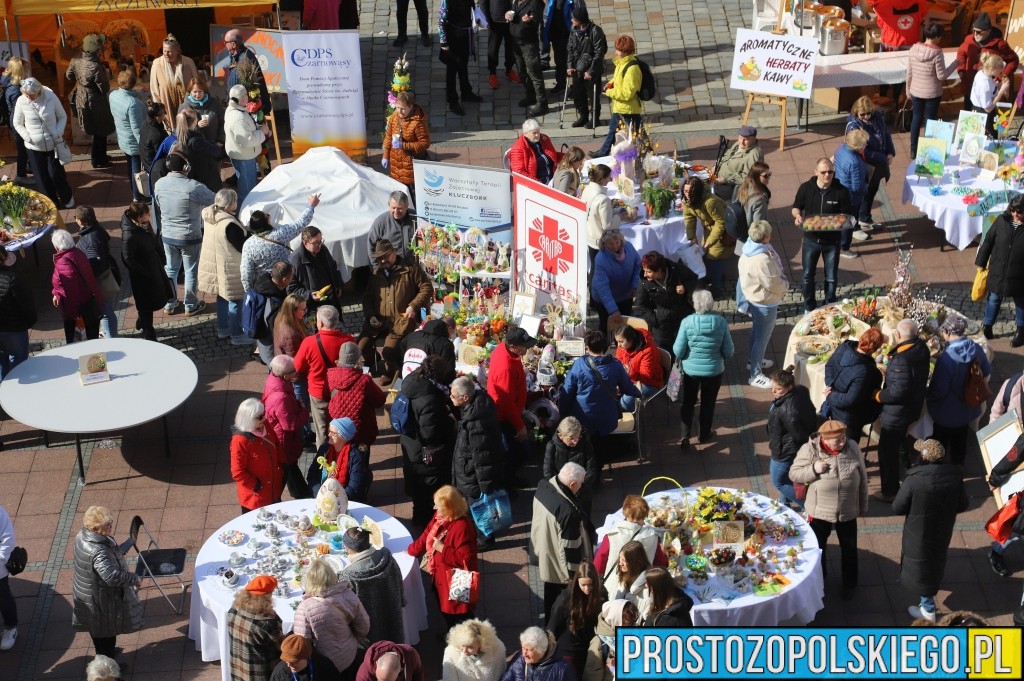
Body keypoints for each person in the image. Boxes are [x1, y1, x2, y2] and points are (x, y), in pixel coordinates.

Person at [790, 419, 868, 599]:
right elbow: (794, 473)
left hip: (847, 511)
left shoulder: (853, 447)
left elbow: (862, 477)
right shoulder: (809, 450)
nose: (842, 442)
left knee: (849, 550)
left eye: (843, 438)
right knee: (818, 549)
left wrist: (862, 505)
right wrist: (813, 469)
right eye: (837, 440)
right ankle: (819, 581)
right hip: (819, 511)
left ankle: (850, 585)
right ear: (824, 439)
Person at [892, 438, 969, 623]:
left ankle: (927, 609)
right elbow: (963, 504)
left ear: (923, 458)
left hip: (918, 531)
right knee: (935, 558)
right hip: (943, 527)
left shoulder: (914, 480)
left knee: (921, 565)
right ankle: (928, 597)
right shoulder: (955, 477)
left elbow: (897, 507)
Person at [360, 239, 434, 385]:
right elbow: (367, 297)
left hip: (401, 321)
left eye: (385, 256)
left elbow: (427, 287)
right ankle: (373, 361)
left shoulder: (411, 269)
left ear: (394, 252)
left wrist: (413, 305)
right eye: (379, 258)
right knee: (361, 346)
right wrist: (371, 315)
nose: (382, 261)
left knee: (389, 350)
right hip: (378, 320)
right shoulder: (376, 273)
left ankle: (390, 370)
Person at [72, 507, 143, 659]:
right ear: (96, 528)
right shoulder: (99, 550)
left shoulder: (83, 535)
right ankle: (108, 666)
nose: (111, 526)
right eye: (108, 525)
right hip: (101, 602)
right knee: (106, 635)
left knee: (98, 632)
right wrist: (134, 578)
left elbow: (100, 561)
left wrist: (118, 551)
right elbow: (111, 576)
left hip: (89, 595)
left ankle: (105, 655)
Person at [872, 319, 930, 502]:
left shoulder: (902, 361)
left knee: (886, 452)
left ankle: (890, 491)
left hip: (896, 413)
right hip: (912, 407)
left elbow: (897, 392)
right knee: (900, 442)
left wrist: (878, 395)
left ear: (898, 335)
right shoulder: (921, 347)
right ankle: (907, 474)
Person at [407, 485, 479, 627]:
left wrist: (442, 548)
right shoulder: (441, 517)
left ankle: (466, 641)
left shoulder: (462, 527)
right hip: (442, 578)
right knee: (447, 612)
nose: (434, 508)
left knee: (460, 617)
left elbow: (466, 559)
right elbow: (427, 533)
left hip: (454, 582)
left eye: (438, 505)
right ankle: (452, 634)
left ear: (449, 508)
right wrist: (412, 550)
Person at [560, 330, 640, 458]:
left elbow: (567, 392)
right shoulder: (616, 365)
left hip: (583, 418)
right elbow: (628, 387)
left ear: (587, 347)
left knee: (584, 449)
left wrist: (562, 413)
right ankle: (598, 465)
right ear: (606, 347)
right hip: (607, 418)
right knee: (601, 449)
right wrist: (639, 393)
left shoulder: (579, 365)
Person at [153, 151, 215, 316]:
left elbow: (158, 204)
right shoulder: (193, 186)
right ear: (186, 167)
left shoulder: (159, 184)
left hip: (167, 235)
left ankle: (170, 302)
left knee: (171, 269)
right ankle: (190, 304)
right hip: (190, 237)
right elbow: (215, 199)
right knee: (190, 271)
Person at [531, 462, 594, 620]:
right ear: (572, 484)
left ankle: (548, 625)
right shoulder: (568, 513)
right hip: (561, 569)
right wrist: (576, 577)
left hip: (545, 550)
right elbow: (571, 548)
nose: (580, 487)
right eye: (580, 484)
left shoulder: (544, 486)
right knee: (562, 602)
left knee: (549, 592)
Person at [672, 289, 734, 449]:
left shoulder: (686, 322)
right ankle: (704, 434)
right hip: (714, 371)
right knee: (708, 403)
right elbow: (729, 351)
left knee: (688, 402)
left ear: (694, 304)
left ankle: (685, 436)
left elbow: (678, 351)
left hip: (690, 372)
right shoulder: (721, 323)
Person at [926, 315, 990, 467]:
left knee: (938, 447)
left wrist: (927, 396)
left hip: (945, 412)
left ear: (947, 331)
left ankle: (936, 473)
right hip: (967, 409)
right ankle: (958, 471)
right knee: (959, 444)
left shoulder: (946, 359)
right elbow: (986, 370)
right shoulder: (976, 348)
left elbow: (939, 391)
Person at [400, 356, 457, 526]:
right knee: (428, 484)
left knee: (416, 482)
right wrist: (449, 422)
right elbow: (430, 432)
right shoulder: (429, 398)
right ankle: (425, 521)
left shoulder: (412, 381)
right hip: (424, 449)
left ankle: (419, 515)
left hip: (410, 442)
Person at [791, 158, 852, 313]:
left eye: (830, 172)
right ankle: (809, 307)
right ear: (816, 172)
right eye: (823, 172)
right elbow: (796, 207)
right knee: (807, 276)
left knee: (831, 277)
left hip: (832, 242)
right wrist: (797, 216)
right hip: (810, 240)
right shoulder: (806, 188)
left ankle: (829, 305)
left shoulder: (841, 191)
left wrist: (842, 221)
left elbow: (847, 214)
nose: (827, 175)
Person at [293, 557, 370, 678]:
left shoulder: (304, 608)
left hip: (325, 664)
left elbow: (302, 644)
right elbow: (364, 626)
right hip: (349, 654)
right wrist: (353, 639)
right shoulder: (349, 595)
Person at [294, 305, 356, 448]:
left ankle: (323, 460)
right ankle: (342, 454)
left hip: (318, 392)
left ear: (320, 323)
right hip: (341, 391)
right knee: (341, 426)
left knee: (321, 429)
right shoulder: (348, 340)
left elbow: (298, 367)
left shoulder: (308, 342)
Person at [738, 219, 788, 388]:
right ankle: (755, 375)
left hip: (754, 297)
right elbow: (772, 283)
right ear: (766, 237)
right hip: (764, 302)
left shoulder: (747, 249)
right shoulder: (762, 259)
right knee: (762, 339)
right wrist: (785, 285)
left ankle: (753, 362)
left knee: (756, 332)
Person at [11, 77, 74, 208]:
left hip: (53, 144)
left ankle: (66, 196)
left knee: (56, 174)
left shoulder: (50, 96)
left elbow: (62, 116)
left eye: (31, 95)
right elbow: (17, 123)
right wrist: (27, 137)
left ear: (38, 91)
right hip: (33, 146)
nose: (28, 97)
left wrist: (58, 132)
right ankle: (51, 201)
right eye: (26, 95)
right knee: (41, 177)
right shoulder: (21, 100)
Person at [198, 188, 250, 344]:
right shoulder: (229, 223)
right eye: (234, 201)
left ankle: (223, 329)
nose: (236, 203)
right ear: (228, 205)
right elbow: (242, 246)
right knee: (235, 300)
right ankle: (237, 335)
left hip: (216, 264)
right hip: (229, 267)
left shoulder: (210, 216)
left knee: (221, 297)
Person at [339, 527, 406, 645]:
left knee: (376, 657)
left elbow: (349, 609)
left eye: (345, 546)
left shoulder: (348, 576)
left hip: (370, 628)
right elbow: (398, 578)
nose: (344, 548)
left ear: (349, 548)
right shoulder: (386, 556)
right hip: (392, 614)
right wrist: (402, 600)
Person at [241, 194, 319, 292]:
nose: (269, 216)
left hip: (263, 288)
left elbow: (246, 272)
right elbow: (300, 223)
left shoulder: (249, 245)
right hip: (285, 284)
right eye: (267, 216)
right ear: (266, 221)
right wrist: (311, 206)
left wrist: (249, 292)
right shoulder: (281, 234)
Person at [487, 327, 535, 487]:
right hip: (505, 416)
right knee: (519, 452)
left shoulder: (505, 350)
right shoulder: (505, 367)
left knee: (515, 452)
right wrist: (520, 426)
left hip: (510, 412)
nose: (527, 348)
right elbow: (505, 402)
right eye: (524, 346)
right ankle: (505, 483)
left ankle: (508, 479)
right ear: (513, 346)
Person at [821, 328, 884, 444]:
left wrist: (830, 386)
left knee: (832, 441)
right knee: (847, 449)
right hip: (849, 418)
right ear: (876, 349)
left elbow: (829, 366)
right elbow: (850, 400)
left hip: (834, 407)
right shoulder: (867, 371)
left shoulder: (843, 347)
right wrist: (831, 395)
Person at [976, 194, 1024, 346]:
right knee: (994, 299)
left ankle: (1021, 331)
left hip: (1019, 275)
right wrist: (981, 262)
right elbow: (988, 241)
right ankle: (988, 326)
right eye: (1013, 210)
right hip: (998, 271)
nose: (1015, 214)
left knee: (1021, 303)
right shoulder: (1001, 221)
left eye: (1020, 211)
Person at [906, 22, 960, 158]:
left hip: (916, 90)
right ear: (937, 37)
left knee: (916, 118)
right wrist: (956, 63)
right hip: (932, 93)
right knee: (930, 121)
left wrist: (908, 89)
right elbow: (942, 75)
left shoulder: (913, 49)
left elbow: (909, 72)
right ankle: (928, 151)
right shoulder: (937, 53)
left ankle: (913, 149)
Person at [767, 368, 817, 510]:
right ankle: (785, 502)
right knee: (788, 476)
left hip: (784, 450)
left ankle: (810, 507)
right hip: (793, 446)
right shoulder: (801, 390)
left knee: (779, 482)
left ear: (789, 387)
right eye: (772, 388)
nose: (773, 392)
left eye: (777, 389)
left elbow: (798, 434)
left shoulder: (786, 410)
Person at [120, 202, 172, 341]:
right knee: (145, 303)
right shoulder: (129, 235)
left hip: (153, 267)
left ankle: (143, 321)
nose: (149, 216)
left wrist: (162, 259)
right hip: (142, 276)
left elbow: (153, 241)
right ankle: (149, 332)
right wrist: (144, 272)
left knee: (153, 299)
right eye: (146, 214)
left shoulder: (144, 224)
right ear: (138, 217)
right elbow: (127, 259)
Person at [263, 355, 312, 500]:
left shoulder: (274, 381)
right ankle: (275, 499)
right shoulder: (281, 397)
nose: (296, 373)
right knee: (286, 469)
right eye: (293, 371)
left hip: (280, 438)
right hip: (284, 441)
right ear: (285, 375)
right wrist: (304, 411)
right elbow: (289, 424)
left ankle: (300, 493)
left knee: (290, 469)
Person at [450, 375, 504, 503]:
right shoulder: (477, 405)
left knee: (474, 513)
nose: (450, 398)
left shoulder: (475, 423)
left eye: (453, 396)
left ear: (465, 397)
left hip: (471, 479)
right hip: (468, 474)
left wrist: (486, 489)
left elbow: (482, 457)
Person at [845, 97, 894, 231]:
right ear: (856, 112)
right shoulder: (854, 127)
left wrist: (891, 152)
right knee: (861, 194)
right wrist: (883, 157)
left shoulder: (877, 116)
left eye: (869, 113)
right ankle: (855, 226)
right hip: (864, 165)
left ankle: (865, 218)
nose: (866, 116)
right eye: (863, 114)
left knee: (872, 191)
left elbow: (886, 134)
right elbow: (863, 150)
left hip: (877, 164)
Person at [549, 562, 607, 675]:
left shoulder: (601, 595)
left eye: (590, 584)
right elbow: (553, 627)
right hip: (569, 650)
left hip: (590, 648)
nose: (587, 589)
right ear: (577, 582)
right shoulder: (565, 599)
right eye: (583, 585)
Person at [66, 33, 114, 168]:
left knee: (93, 128)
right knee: (101, 129)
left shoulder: (75, 59)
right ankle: (98, 158)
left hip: (81, 96)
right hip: (96, 100)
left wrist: (80, 80)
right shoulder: (96, 66)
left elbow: (69, 76)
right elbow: (104, 88)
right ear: (97, 50)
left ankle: (99, 156)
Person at [633, 251, 697, 353]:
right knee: (663, 352)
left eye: (648, 272)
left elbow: (694, 281)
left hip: (683, 317)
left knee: (686, 347)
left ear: (659, 270)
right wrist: (655, 320)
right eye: (644, 271)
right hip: (662, 324)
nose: (645, 275)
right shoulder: (644, 282)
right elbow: (641, 305)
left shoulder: (677, 269)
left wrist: (685, 288)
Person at [592, 495, 667, 582]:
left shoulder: (611, 535)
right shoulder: (653, 537)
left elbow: (598, 566)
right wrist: (664, 554)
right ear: (645, 514)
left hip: (615, 587)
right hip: (641, 587)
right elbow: (661, 565)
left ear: (625, 513)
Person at [230, 397, 284, 514]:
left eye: (263, 414)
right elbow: (237, 471)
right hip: (255, 499)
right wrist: (256, 486)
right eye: (259, 417)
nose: (264, 418)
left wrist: (282, 465)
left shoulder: (265, 425)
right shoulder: (240, 441)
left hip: (273, 491)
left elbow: (276, 444)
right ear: (248, 419)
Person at [592, 34, 642, 158]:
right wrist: (610, 84)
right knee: (615, 132)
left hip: (628, 109)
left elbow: (627, 94)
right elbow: (617, 78)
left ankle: (645, 153)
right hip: (621, 107)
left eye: (618, 50)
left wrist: (609, 92)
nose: (616, 52)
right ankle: (603, 152)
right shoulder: (622, 63)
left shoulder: (632, 69)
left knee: (635, 135)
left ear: (625, 51)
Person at [328, 342, 387, 447]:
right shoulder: (364, 380)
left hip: (338, 427)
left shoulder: (330, 375)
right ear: (357, 359)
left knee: (341, 456)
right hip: (360, 428)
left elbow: (326, 396)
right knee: (361, 458)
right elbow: (380, 400)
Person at [75, 206, 122, 338]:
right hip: (102, 277)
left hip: (99, 281)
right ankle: (109, 333)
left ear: (80, 220)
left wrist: (89, 281)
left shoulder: (91, 240)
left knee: (105, 311)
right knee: (106, 310)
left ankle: (112, 338)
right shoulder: (95, 229)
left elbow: (96, 264)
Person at [956, 12, 1018, 112]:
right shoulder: (969, 40)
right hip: (971, 86)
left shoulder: (1000, 44)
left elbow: (1013, 60)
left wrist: (1001, 77)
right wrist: (961, 70)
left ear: (988, 31)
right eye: (974, 31)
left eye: (979, 32)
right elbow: (961, 54)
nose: (975, 34)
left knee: (987, 116)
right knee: (968, 116)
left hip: (989, 88)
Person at [227, 574, 284, 681]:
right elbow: (282, 646)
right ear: (267, 597)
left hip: (239, 667)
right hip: (261, 672)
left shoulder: (233, 610)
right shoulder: (267, 622)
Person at [51, 229, 104, 344]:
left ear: (56, 246)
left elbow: (71, 292)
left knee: (78, 346)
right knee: (93, 341)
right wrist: (56, 292)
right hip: (89, 306)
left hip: (79, 312)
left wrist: (73, 314)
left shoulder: (63, 262)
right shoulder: (78, 253)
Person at [681, 177, 729, 296]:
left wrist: (711, 240)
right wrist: (692, 236)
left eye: (689, 192)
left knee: (714, 256)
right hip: (708, 227)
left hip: (721, 228)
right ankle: (720, 276)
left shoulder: (711, 202)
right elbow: (689, 218)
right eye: (685, 191)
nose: (686, 194)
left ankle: (716, 287)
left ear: (696, 191)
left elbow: (720, 222)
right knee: (708, 254)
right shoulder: (687, 201)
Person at [224, 84, 270, 203]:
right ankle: (244, 216)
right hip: (245, 157)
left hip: (241, 155)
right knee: (248, 191)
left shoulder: (234, 110)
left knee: (245, 186)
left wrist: (258, 129)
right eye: (246, 95)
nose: (248, 97)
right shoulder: (238, 117)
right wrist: (262, 132)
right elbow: (247, 141)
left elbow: (245, 131)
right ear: (243, 99)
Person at [288, 226, 345, 321]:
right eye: (315, 243)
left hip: (329, 300)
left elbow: (333, 267)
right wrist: (309, 295)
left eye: (321, 241)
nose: (319, 245)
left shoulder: (322, 249)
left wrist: (337, 285)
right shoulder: (295, 261)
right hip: (311, 307)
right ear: (305, 243)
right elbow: (292, 289)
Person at [543, 417, 599, 513]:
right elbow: (548, 472)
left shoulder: (586, 445)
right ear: (560, 435)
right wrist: (561, 490)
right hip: (560, 494)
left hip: (582, 493)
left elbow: (591, 471)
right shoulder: (551, 446)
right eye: (571, 438)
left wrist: (578, 489)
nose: (575, 441)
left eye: (577, 437)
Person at [590, 230, 639, 335]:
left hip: (625, 293)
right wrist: (613, 310)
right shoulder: (601, 259)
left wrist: (634, 285)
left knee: (625, 324)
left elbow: (637, 265)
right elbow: (603, 288)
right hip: (604, 298)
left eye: (617, 242)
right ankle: (604, 347)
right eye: (611, 244)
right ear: (604, 244)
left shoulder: (629, 247)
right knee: (606, 325)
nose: (615, 246)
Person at [108, 69, 147, 201]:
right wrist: (144, 146)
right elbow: (136, 128)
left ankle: (134, 192)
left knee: (130, 166)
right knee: (137, 171)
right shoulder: (133, 104)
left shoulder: (113, 95)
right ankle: (137, 195)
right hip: (133, 142)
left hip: (123, 138)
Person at [565, 4, 606, 129]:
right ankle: (583, 116)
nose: (571, 20)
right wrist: (570, 65)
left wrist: (591, 71)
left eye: (573, 18)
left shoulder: (595, 31)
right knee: (578, 95)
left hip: (591, 70)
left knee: (593, 96)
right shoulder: (574, 30)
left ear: (579, 20)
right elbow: (570, 48)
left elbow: (599, 53)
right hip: (577, 68)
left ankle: (595, 119)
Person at [832, 129, 872, 256]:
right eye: (864, 144)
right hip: (851, 197)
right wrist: (866, 188)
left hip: (839, 188)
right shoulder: (854, 162)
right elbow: (857, 187)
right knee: (848, 223)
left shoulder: (841, 148)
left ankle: (837, 243)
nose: (866, 146)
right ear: (857, 146)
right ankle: (844, 248)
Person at [440, 0, 483, 116]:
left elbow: (473, 12)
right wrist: (444, 43)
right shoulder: (447, 1)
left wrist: (477, 19)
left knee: (463, 65)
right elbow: (441, 21)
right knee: (452, 70)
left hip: (465, 36)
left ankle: (466, 92)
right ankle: (452, 100)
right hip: (453, 38)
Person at [313, 417, 371, 502]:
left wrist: (334, 499)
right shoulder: (324, 449)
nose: (329, 435)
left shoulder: (356, 456)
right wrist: (320, 493)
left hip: (346, 501)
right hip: (322, 497)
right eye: (329, 431)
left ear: (344, 436)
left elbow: (354, 488)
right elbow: (312, 475)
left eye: (333, 433)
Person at [0, 246, 36, 378]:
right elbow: (26, 305)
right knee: (19, 364)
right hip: (14, 330)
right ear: (5, 259)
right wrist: (30, 321)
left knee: (2, 364)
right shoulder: (13, 279)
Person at [508, 0, 548, 118]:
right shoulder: (516, 2)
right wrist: (509, 15)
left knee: (534, 73)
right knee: (522, 71)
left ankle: (542, 103)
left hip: (528, 44)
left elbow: (536, 21)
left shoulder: (534, 3)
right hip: (516, 42)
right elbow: (515, 15)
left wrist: (529, 21)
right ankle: (530, 95)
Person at [383, 91, 431, 188]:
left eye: (403, 109)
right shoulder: (394, 117)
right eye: (397, 107)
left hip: (411, 168)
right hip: (396, 165)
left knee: (411, 196)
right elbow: (388, 136)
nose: (399, 112)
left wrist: (403, 145)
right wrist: (385, 156)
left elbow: (425, 143)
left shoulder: (418, 123)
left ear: (410, 107)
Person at [582, 600, 638, 681]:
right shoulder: (599, 642)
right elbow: (592, 676)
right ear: (615, 621)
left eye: (632, 623)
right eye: (627, 624)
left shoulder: (632, 637)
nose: (631, 627)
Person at [253, 262, 295, 366]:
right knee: (275, 369)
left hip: (261, 339)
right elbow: (276, 331)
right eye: (292, 276)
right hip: (269, 344)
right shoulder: (275, 303)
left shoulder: (262, 284)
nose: (293, 278)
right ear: (285, 280)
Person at [149, 34, 197, 125]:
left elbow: (196, 83)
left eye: (169, 51)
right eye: (164, 51)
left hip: (187, 107)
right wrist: (159, 110)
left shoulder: (188, 62)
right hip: (167, 109)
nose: (166, 54)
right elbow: (154, 89)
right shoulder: (157, 63)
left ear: (177, 51)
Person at [581, 164, 622, 273]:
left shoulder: (587, 189)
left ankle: (592, 288)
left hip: (589, 235)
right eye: (609, 176)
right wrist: (619, 217)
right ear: (603, 178)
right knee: (600, 270)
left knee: (594, 267)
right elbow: (607, 225)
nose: (610, 179)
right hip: (599, 240)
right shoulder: (603, 199)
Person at [614, 324, 664, 409]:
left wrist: (630, 372)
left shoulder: (648, 350)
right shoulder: (623, 346)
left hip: (650, 383)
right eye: (617, 341)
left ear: (631, 340)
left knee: (624, 403)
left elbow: (646, 376)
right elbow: (618, 362)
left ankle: (623, 419)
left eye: (621, 342)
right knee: (609, 391)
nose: (618, 345)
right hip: (629, 378)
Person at [174, 107, 223, 193]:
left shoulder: (179, 136)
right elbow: (216, 152)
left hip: (191, 177)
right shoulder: (196, 141)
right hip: (205, 179)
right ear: (195, 121)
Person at [500, 627, 575, 681]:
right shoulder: (518, 660)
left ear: (541, 650)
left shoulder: (562, 669)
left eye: (529, 650)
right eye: (523, 648)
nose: (524, 654)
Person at [225, 29, 271, 116]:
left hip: (245, 110)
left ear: (233, 44)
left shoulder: (246, 59)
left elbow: (251, 87)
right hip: (237, 107)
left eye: (225, 42)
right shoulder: (235, 56)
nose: (225, 45)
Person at [443, 619, 507, 681]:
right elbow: (449, 677)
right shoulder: (451, 652)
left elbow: (500, 674)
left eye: (470, 647)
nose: (464, 651)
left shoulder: (497, 649)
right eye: (462, 645)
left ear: (482, 643)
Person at [2, 57, 30, 185]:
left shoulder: (10, 82)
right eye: (26, 69)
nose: (28, 71)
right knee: (23, 149)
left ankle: (27, 167)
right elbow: (19, 109)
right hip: (19, 123)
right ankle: (20, 175)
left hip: (15, 121)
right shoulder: (16, 89)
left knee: (24, 148)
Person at [368, 191, 417, 264]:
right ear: (389, 205)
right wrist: (377, 268)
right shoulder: (381, 222)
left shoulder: (416, 218)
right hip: (392, 269)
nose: (396, 211)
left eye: (399, 208)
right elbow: (371, 246)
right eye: (393, 208)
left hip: (413, 268)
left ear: (406, 206)